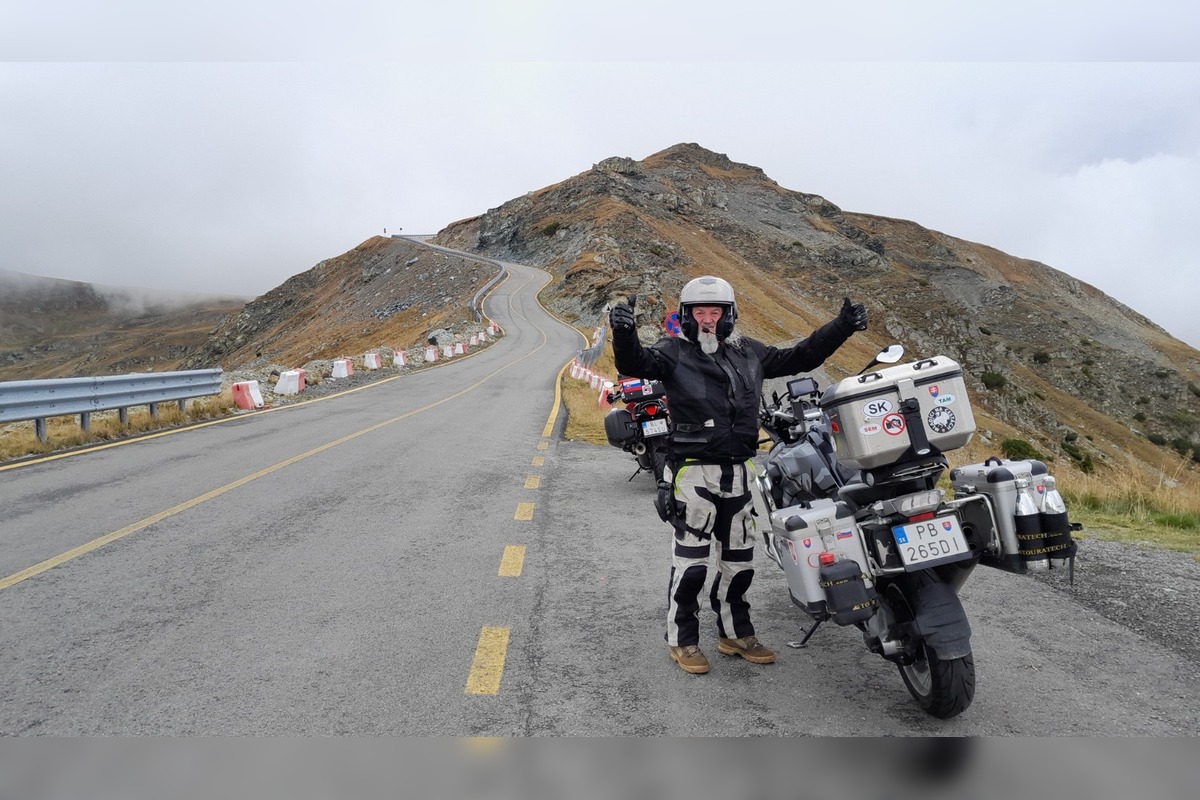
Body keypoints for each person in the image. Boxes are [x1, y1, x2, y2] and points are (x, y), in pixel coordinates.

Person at [609, 276, 868, 674]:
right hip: (694, 475)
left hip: (741, 473)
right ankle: (683, 640)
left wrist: (842, 325)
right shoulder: (672, 352)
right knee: (691, 565)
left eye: (716, 312)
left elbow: (800, 357)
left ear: (729, 315)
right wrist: (623, 332)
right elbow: (633, 363)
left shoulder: (750, 352)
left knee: (740, 563)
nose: (708, 320)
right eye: (700, 312)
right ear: (686, 316)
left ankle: (735, 633)